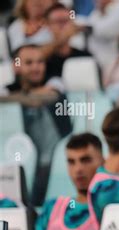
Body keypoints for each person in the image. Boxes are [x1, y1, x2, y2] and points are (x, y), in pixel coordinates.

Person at [0, 44, 72, 205]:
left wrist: (20, 97)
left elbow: (46, 97)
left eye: (40, 62)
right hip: (19, 157)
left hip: (53, 159)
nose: (36, 68)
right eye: (29, 63)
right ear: (16, 66)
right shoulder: (7, 89)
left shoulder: (55, 82)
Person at [35, 133, 104, 230]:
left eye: (85, 160)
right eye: (71, 162)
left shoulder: (109, 209)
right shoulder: (51, 209)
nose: (78, 169)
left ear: (102, 162)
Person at [42, 3, 91, 80]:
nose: (62, 26)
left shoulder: (85, 56)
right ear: (48, 25)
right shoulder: (41, 56)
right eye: (58, 21)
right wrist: (65, 37)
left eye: (65, 21)